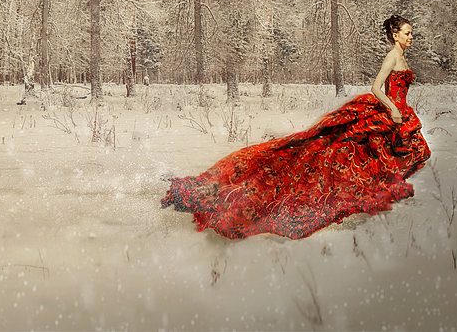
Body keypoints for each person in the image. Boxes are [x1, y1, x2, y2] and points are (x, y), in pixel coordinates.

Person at [161, 15, 431, 239]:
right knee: (337, 149)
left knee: (411, 152)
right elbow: (376, 88)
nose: (411, 38)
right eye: (407, 33)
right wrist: (393, 109)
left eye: (411, 34)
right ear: (395, 35)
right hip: (391, 113)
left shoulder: (401, 58)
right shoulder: (391, 58)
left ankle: (380, 195)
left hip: (399, 114)